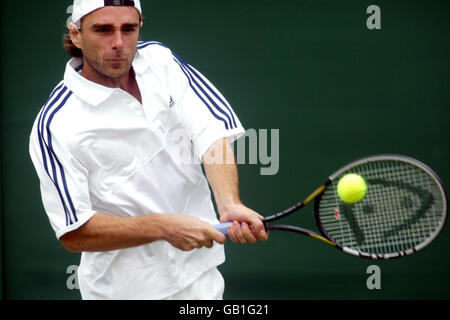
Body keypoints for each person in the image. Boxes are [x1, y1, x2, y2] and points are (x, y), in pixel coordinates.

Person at [29, 0, 268, 300]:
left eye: (128, 29)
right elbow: (74, 230)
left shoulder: (160, 61)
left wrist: (229, 203)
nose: (118, 43)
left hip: (200, 280)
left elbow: (211, 131)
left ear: (140, 26)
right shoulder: (55, 124)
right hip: (123, 293)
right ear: (75, 34)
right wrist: (163, 227)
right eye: (103, 30)